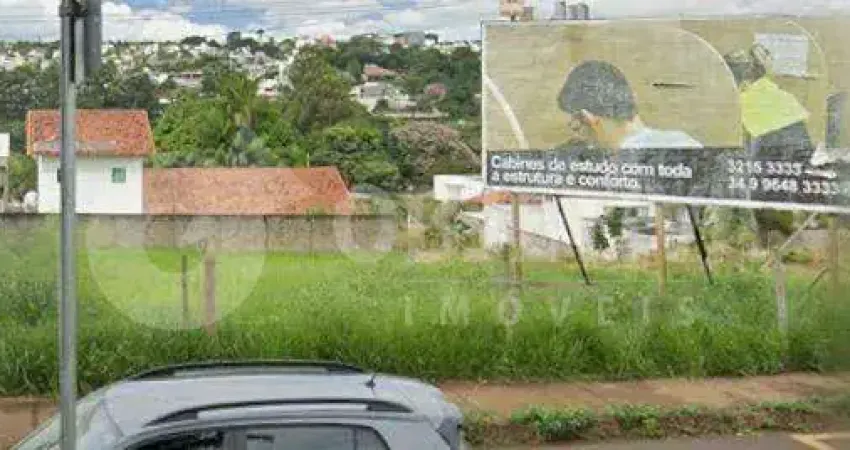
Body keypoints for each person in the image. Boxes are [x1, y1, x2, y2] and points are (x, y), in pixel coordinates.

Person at [557, 59, 703, 152]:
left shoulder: (610, 165)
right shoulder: (683, 144)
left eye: (576, 127)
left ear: (588, 118)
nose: (581, 139)